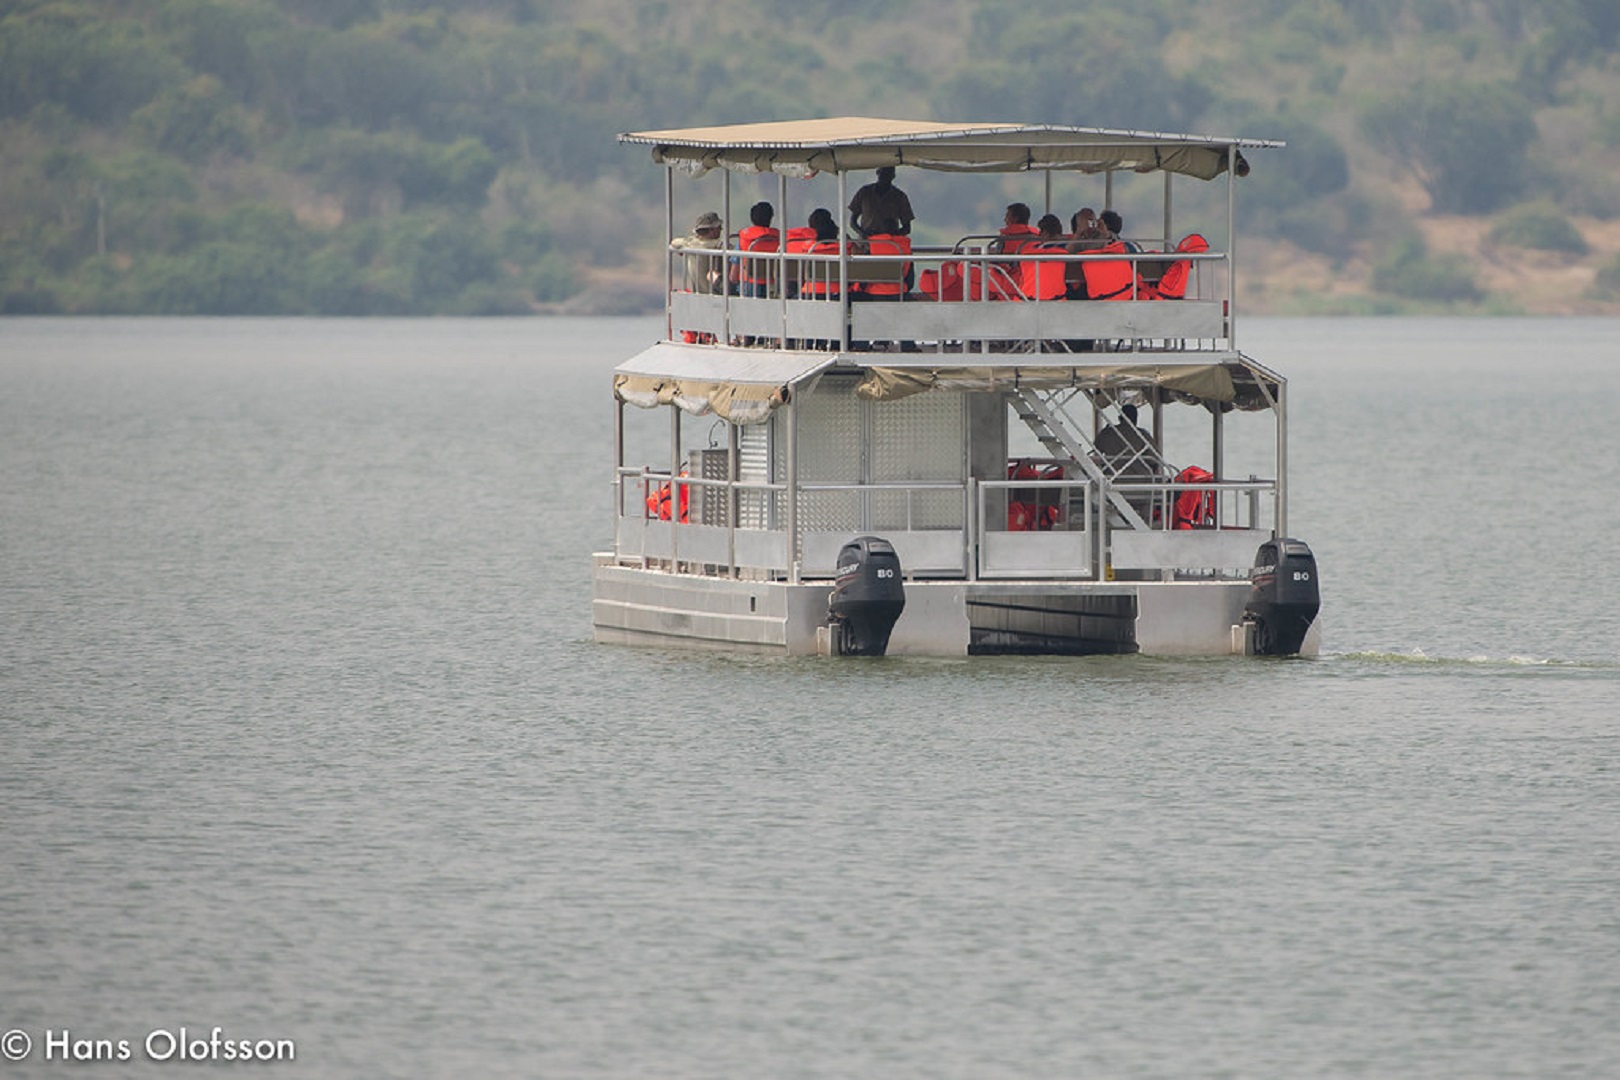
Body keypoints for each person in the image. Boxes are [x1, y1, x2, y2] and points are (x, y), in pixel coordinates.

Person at [848, 166, 914, 238]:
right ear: (877, 172)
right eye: (883, 173)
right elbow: (852, 222)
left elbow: (907, 228)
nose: (885, 177)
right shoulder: (864, 192)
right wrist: (863, 233)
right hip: (866, 243)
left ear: (893, 176)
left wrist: (893, 234)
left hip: (889, 244)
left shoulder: (900, 197)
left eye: (888, 174)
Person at [669, 210, 725, 294]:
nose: (721, 230)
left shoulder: (690, 244)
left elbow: (674, 242)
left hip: (698, 292)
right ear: (712, 230)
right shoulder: (718, 245)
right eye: (719, 228)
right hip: (715, 292)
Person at [735, 201, 779, 298]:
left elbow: (733, 274)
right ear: (770, 218)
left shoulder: (744, 240)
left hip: (748, 286)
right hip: (773, 286)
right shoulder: (778, 239)